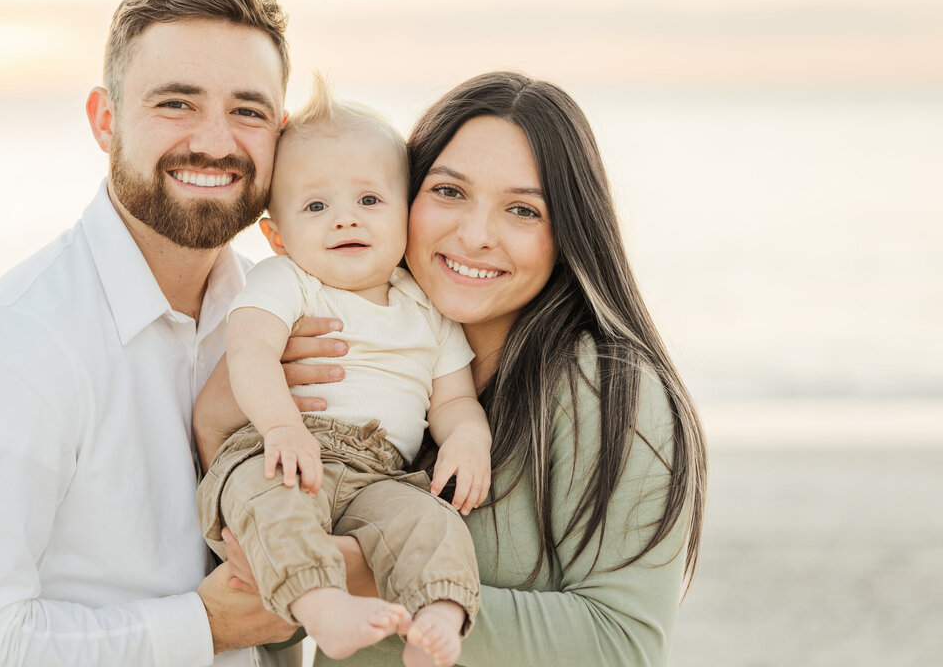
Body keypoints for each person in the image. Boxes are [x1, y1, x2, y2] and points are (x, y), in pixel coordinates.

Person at [0, 0, 338, 667]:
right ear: (105, 120)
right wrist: (206, 625)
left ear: (279, 133)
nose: (215, 142)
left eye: (247, 112)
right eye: (176, 103)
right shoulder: (18, 345)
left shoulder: (278, 314)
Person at [196, 71, 708, 665]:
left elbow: (624, 647)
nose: (475, 235)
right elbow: (272, 623)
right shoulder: (349, 344)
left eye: (522, 209)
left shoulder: (610, 388)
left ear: (568, 229)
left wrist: (374, 580)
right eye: (448, 192)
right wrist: (215, 429)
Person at [198, 76, 490, 667]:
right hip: (278, 451)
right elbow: (250, 353)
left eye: (369, 200)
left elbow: (453, 399)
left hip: (382, 473)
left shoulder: (425, 309)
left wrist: (469, 437)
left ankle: (439, 615)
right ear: (277, 236)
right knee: (271, 506)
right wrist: (282, 426)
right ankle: (322, 606)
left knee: (426, 520)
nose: (345, 220)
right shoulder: (288, 281)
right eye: (316, 206)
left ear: (407, 214)